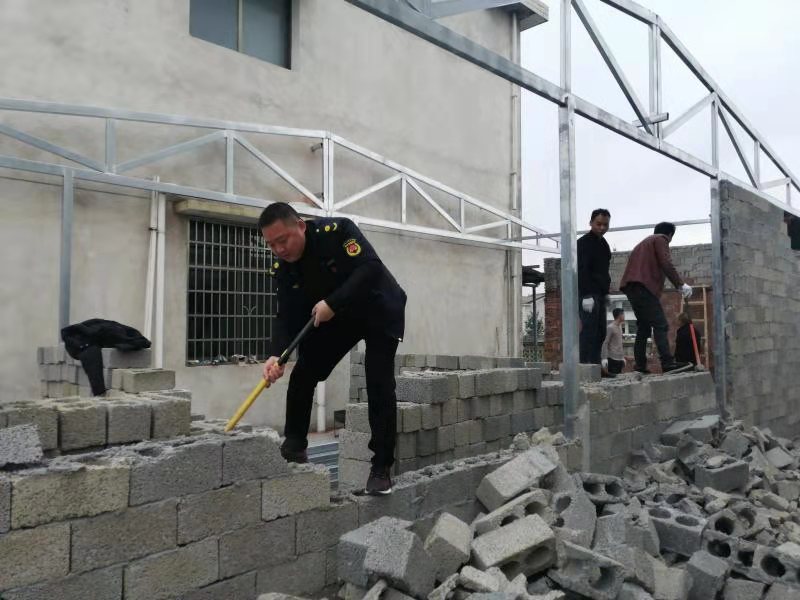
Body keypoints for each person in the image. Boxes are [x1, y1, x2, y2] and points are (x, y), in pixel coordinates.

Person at [259, 202, 407, 495]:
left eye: (283, 240)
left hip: (379, 307)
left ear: (300, 226)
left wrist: (332, 302)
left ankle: (381, 467)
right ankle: (294, 447)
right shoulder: (284, 268)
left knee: (377, 381)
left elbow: (370, 268)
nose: (279, 249)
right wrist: (277, 355)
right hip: (340, 318)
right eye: (271, 244)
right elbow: (286, 315)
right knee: (303, 373)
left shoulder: (337, 232)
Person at [619, 222, 692, 374]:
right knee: (661, 325)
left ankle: (640, 365)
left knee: (644, 327)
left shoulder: (642, 244)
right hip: (643, 287)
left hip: (631, 288)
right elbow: (666, 263)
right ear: (669, 235)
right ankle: (667, 363)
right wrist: (680, 284)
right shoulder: (661, 239)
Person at [578, 209, 612, 365]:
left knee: (601, 332)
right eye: (598, 224)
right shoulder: (583, 243)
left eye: (605, 225)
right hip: (588, 293)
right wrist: (586, 295)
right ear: (591, 223)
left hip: (599, 294)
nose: (602, 228)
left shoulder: (604, 244)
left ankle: (595, 366)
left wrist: (606, 293)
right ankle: (585, 366)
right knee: (589, 330)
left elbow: (604, 271)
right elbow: (582, 270)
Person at [601, 308, 626, 376]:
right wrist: (604, 358)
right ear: (620, 315)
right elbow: (605, 343)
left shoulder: (620, 327)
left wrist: (622, 357)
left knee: (620, 379)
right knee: (613, 379)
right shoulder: (610, 327)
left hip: (620, 359)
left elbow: (619, 343)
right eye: (623, 314)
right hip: (612, 359)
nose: (624, 316)